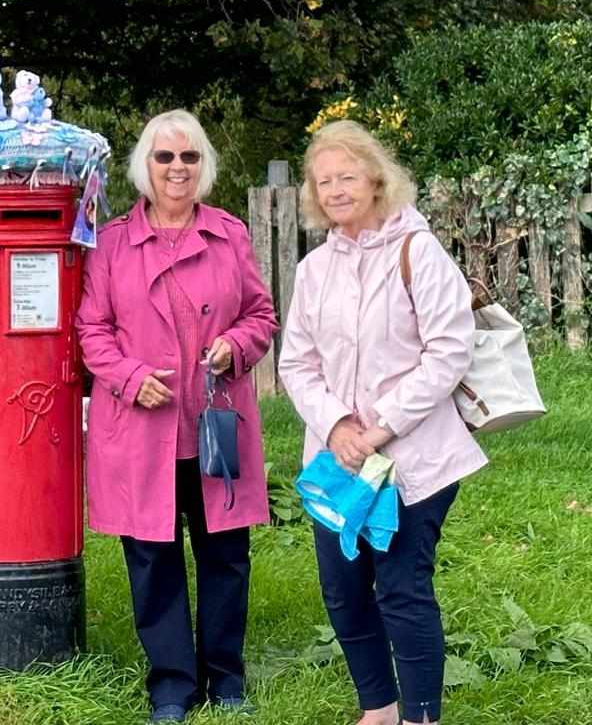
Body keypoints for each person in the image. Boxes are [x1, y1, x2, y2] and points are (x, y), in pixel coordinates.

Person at [278, 120, 487, 725]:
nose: (335, 190)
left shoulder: (417, 251)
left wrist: (381, 427)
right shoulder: (316, 268)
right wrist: (339, 424)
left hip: (413, 458)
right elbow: (297, 361)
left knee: (401, 589)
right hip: (338, 460)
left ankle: (422, 715)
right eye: (323, 182)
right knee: (343, 591)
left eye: (346, 176)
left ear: (375, 178)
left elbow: (449, 350)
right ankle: (379, 708)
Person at [75, 110, 277, 723]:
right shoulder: (111, 242)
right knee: (152, 559)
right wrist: (132, 379)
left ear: (203, 165)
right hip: (141, 428)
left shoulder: (229, 234)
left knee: (225, 555)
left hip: (214, 423)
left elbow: (261, 316)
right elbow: (91, 329)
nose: (177, 168)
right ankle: (170, 685)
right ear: (145, 166)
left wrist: (235, 347)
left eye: (188, 157)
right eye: (165, 158)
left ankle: (226, 679)